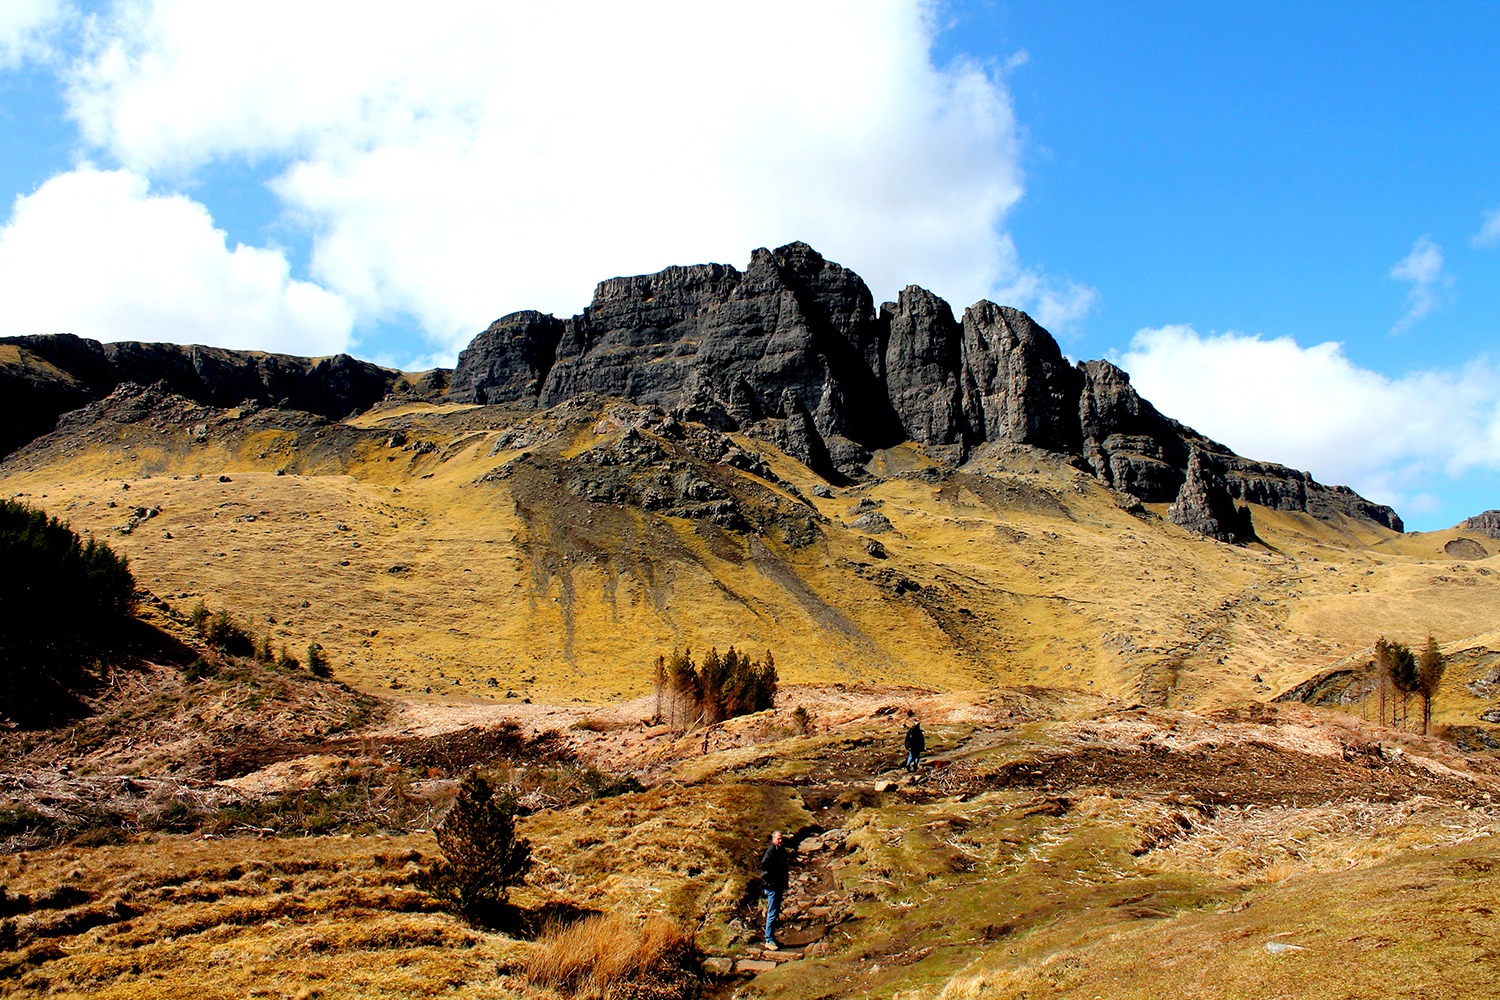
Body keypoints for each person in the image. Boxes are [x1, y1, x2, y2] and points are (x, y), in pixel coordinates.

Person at [760, 830, 789, 949]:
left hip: (778, 885)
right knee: (772, 913)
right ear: (773, 839)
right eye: (778, 839)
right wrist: (768, 882)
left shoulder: (780, 851)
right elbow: (764, 867)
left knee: (775, 912)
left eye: (782, 838)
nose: (781, 841)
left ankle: (771, 937)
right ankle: (769, 940)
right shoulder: (771, 852)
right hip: (772, 887)